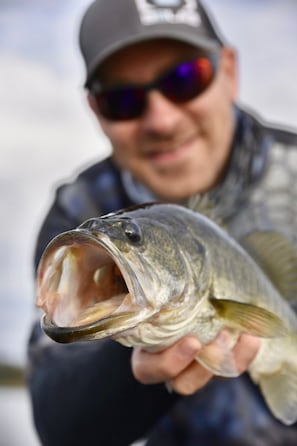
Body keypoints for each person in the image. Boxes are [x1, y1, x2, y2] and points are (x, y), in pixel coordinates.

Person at [27, 1, 297, 445]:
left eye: (184, 79)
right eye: (123, 100)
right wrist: (132, 364)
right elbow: (58, 424)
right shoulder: (79, 211)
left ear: (229, 71)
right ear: (96, 111)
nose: (162, 120)